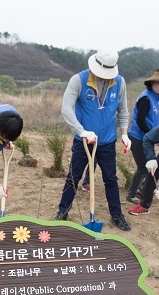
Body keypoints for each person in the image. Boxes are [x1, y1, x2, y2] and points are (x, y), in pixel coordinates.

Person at [54, 50, 132, 231]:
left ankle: (116, 215)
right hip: (83, 141)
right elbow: (66, 109)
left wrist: (124, 134)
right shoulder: (78, 80)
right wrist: (81, 132)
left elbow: (123, 110)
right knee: (73, 177)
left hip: (107, 140)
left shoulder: (119, 82)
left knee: (111, 178)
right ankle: (63, 212)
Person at [126, 68, 159, 206]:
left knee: (148, 166)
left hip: (148, 137)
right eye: (158, 83)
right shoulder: (145, 98)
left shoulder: (157, 99)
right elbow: (140, 121)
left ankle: (139, 189)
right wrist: (155, 137)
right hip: (138, 137)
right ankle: (132, 194)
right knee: (143, 167)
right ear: (151, 83)